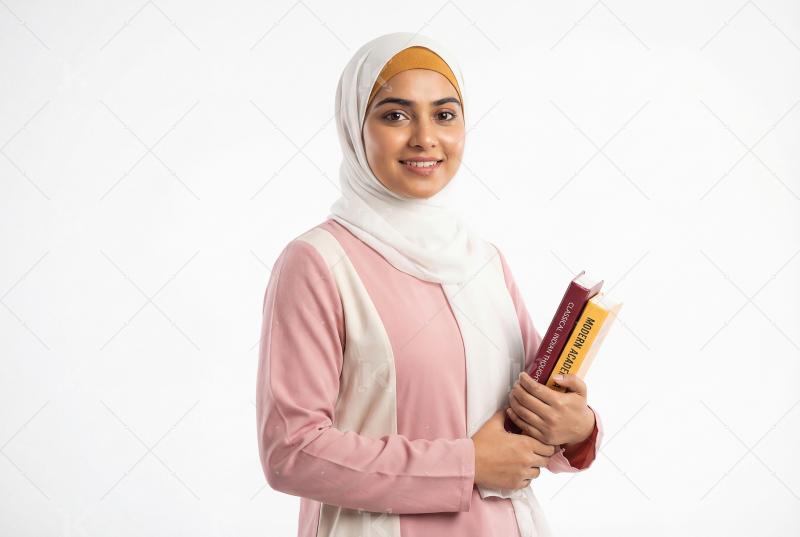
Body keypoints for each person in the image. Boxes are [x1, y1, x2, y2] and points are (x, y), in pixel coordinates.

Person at [255, 31, 603, 537]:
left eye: (444, 115)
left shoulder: (483, 262)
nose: (424, 137)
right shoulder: (317, 264)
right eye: (395, 115)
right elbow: (291, 451)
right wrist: (465, 466)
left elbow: (528, 416)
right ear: (355, 126)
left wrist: (576, 427)